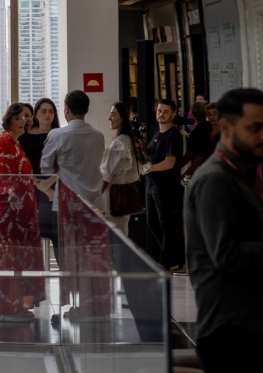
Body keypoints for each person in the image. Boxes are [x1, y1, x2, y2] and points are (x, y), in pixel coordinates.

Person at [184, 88, 263, 373]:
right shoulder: (215, 179)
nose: (262, 135)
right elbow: (226, 254)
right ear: (227, 128)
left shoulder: (242, 171)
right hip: (231, 328)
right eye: (254, 128)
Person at [41, 90, 112, 322]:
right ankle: (91, 306)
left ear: (66, 109)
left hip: (68, 205)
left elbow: (44, 168)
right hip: (94, 203)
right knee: (92, 257)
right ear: (87, 110)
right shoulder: (99, 135)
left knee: (70, 258)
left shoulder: (57, 135)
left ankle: (73, 304)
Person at [0, 103, 45, 321]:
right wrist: (11, 196)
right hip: (11, 210)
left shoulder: (15, 142)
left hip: (23, 211)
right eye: (20, 117)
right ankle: (6, 307)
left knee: (20, 257)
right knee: (10, 258)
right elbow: (2, 174)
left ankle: (18, 303)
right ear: (10, 118)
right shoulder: (5, 141)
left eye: (28, 117)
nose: (25, 121)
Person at [143, 98, 186, 271]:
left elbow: (170, 162)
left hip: (165, 187)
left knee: (165, 224)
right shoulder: (155, 131)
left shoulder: (174, 135)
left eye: (166, 111)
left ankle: (167, 261)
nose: (161, 114)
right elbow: (151, 155)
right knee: (152, 222)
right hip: (151, 185)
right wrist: (140, 147)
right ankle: (170, 256)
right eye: (159, 111)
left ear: (173, 114)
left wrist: (150, 168)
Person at [19, 97, 60, 263]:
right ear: (36, 114)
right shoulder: (24, 139)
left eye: (51, 111)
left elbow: (63, 164)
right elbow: (23, 167)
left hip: (55, 189)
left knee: (58, 236)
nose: (47, 114)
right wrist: (42, 186)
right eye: (43, 111)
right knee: (31, 236)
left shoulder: (59, 136)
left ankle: (66, 284)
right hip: (33, 190)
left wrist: (49, 185)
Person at [100, 102, 143, 235]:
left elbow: (107, 175)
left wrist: (95, 197)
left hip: (113, 198)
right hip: (121, 197)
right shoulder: (127, 140)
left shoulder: (119, 143)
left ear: (123, 118)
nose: (109, 119)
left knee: (114, 236)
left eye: (113, 115)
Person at [182, 99, 215, 180]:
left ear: (192, 114)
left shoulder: (196, 133)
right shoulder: (213, 128)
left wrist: (181, 171)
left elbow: (190, 155)